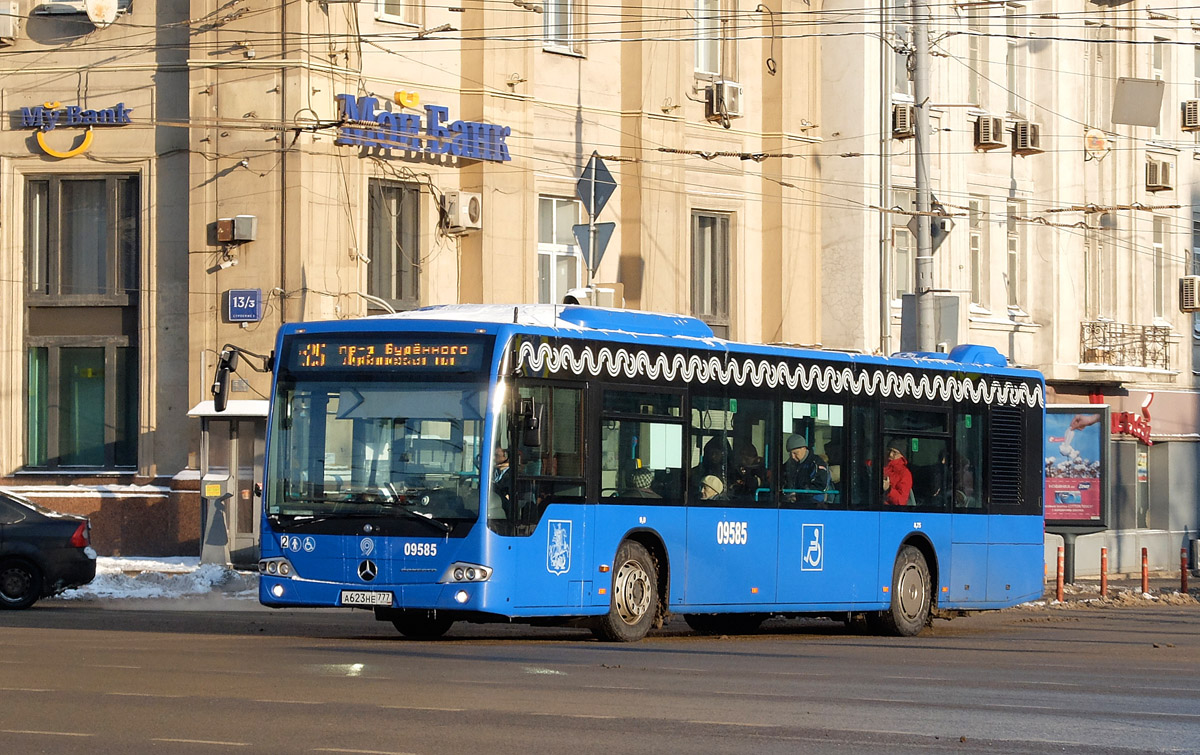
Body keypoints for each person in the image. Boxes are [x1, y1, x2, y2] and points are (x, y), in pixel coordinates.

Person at [780, 434, 831, 504]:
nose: (793, 457)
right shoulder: (789, 464)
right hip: (792, 502)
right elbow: (782, 480)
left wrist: (798, 495)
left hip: (814, 504)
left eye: (795, 453)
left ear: (804, 448)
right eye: (790, 454)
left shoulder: (816, 464)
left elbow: (820, 486)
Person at [883, 441, 913, 506]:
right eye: (889, 450)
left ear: (901, 455)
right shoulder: (879, 463)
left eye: (895, 452)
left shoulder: (905, 474)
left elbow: (901, 502)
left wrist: (888, 489)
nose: (890, 454)